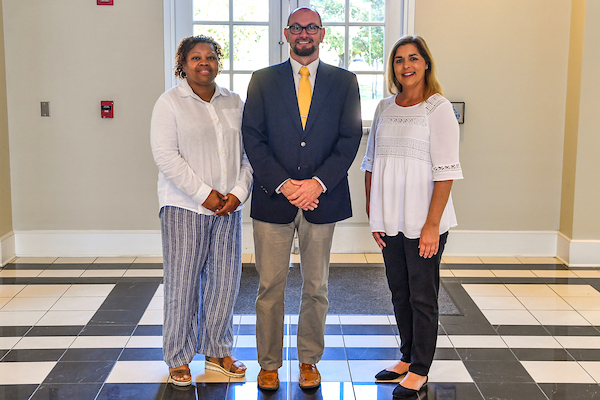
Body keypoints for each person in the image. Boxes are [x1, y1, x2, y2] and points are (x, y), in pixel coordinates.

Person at [242, 6, 362, 391]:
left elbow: (349, 139)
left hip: (321, 201)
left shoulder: (345, 82)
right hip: (273, 200)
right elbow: (253, 138)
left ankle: (309, 360)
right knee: (269, 287)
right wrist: (286, 184)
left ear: (322, 34)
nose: (304, 33)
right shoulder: (262, 80)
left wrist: (316, 184)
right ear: (287, 33)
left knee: (317, 287)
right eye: (297, 27)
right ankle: (269, 364)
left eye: (311, 28)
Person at [361, 35, 463, 399]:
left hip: (425, 222)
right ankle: (406, 357)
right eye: (400, 59)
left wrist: (432, 226)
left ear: (426, 64)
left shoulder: (438, 108)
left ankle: (420, 367)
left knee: (423, 295)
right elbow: (371, 162)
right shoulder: (384, 107)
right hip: (391, 219)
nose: (406, 65)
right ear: (394, 67)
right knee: (399, 292)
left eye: (414, 58)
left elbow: (446, 170)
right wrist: (375, 211)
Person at [150, 35, 252, 387]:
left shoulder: (234, 102)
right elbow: (166, 157)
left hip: (229, 209)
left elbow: (248, 155)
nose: (204, 63)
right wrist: (204, 195)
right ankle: (178, 356)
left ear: (218, 62)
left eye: (210, 57)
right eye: (196, 58)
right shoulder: (170, 103)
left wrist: (238, 193)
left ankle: (217, 350)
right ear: (183, 63)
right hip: (184, 207)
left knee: (224, 282)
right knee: (183, 283)